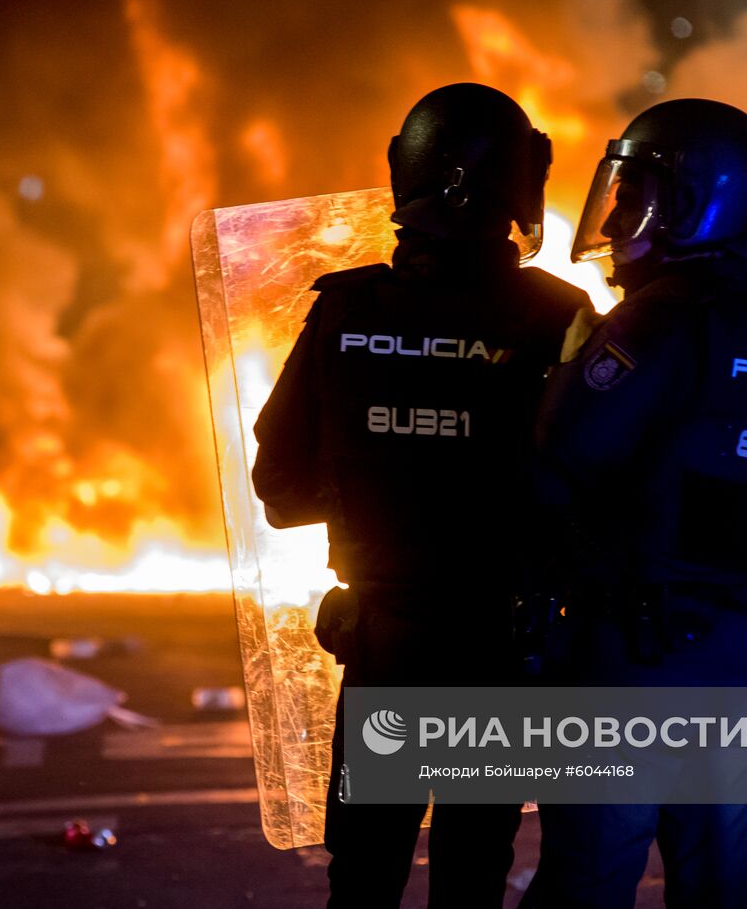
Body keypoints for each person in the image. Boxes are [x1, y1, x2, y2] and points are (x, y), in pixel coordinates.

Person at [251, 82, 589, 909]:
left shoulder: (347, 309)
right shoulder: (559, 317)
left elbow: (279, 486)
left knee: (364, 874)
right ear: (512, 184)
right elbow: (596, 486)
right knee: (473, 872)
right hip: (500, 651)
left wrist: (371, 485)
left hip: (387, 648)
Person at [520, 99, 747, 908]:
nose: (621, 216)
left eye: (637, 195)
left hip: (629, 659)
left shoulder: (658, 324)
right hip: (745, 663)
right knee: (719, 888)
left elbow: (555, 474)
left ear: (696, 202)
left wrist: (537, 626)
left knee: (586, 887)